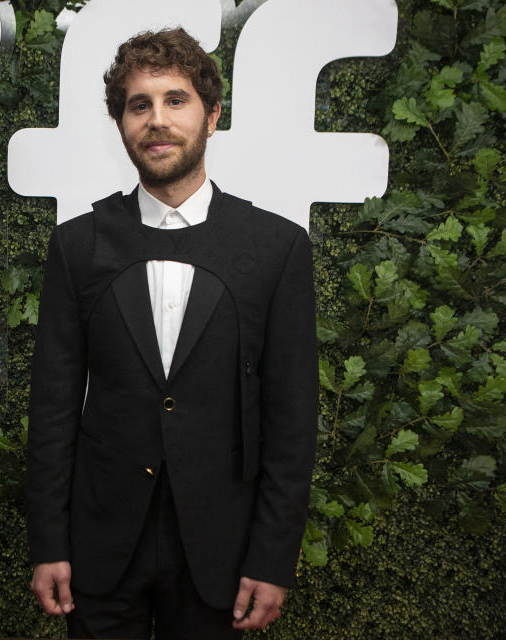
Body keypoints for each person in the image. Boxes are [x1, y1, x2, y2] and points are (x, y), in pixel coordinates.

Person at [25, 28, 318, 639]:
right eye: (140, 105)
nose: (157, 120)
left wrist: (272, 558)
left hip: (223, 549)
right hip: (102, 546)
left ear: (212, 115)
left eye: (175, 100)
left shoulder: (277, 247)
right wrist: (48, 542)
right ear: (122, 124)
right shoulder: (77, 245)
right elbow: (52, 409)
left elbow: (292, 421)